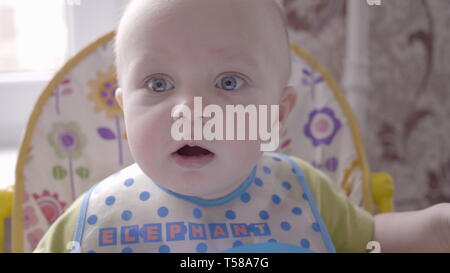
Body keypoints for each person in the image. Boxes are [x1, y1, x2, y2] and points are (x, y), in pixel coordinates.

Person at [34, 0, 450, 253]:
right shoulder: (94, 221)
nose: (191, 111)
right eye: (158, 84)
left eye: (228, 82)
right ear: (125, 112)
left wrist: (433, 226)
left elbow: (369, 239)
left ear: (277, 111)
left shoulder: (303, 192)